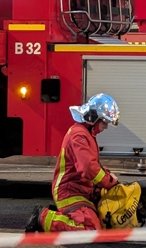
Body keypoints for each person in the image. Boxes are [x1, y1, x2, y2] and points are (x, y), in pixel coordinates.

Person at [25, 93, 120, 232]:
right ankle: (43, 217)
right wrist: (109, 181)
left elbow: (90, 166)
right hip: (69, 192)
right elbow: (87, 168)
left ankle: (63, 214)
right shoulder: (79, 135)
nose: (105, 127)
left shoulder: (86, 133)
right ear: (94, 118)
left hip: (80, 190)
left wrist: (106, 175)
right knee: (91, 228)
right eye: (104, 122)